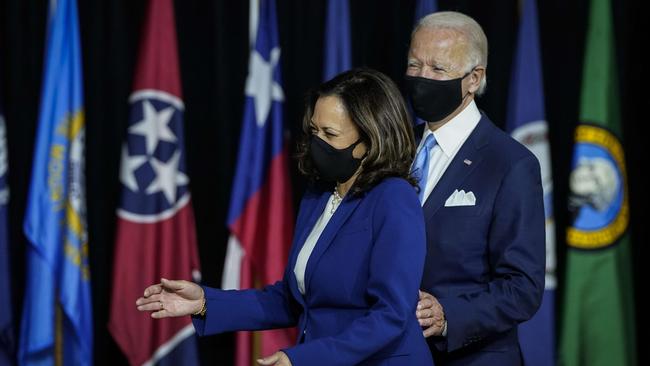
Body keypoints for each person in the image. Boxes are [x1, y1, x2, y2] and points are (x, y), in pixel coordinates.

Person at [136, 68, 434, 366]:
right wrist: (204, 303)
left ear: (369, 143)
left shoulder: (393, 197)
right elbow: (292, 300)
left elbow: (391, 315)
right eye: (315, 131)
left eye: (330, 134)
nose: (318, 143)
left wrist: (302, 358)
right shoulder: (318, 195)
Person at [404, 11, 546, 366]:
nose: (422, 78)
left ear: (473, 79)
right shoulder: (394, 148)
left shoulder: (510, 164)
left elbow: (522, 287)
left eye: (437, 69)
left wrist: (447, 315)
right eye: (414, 65)